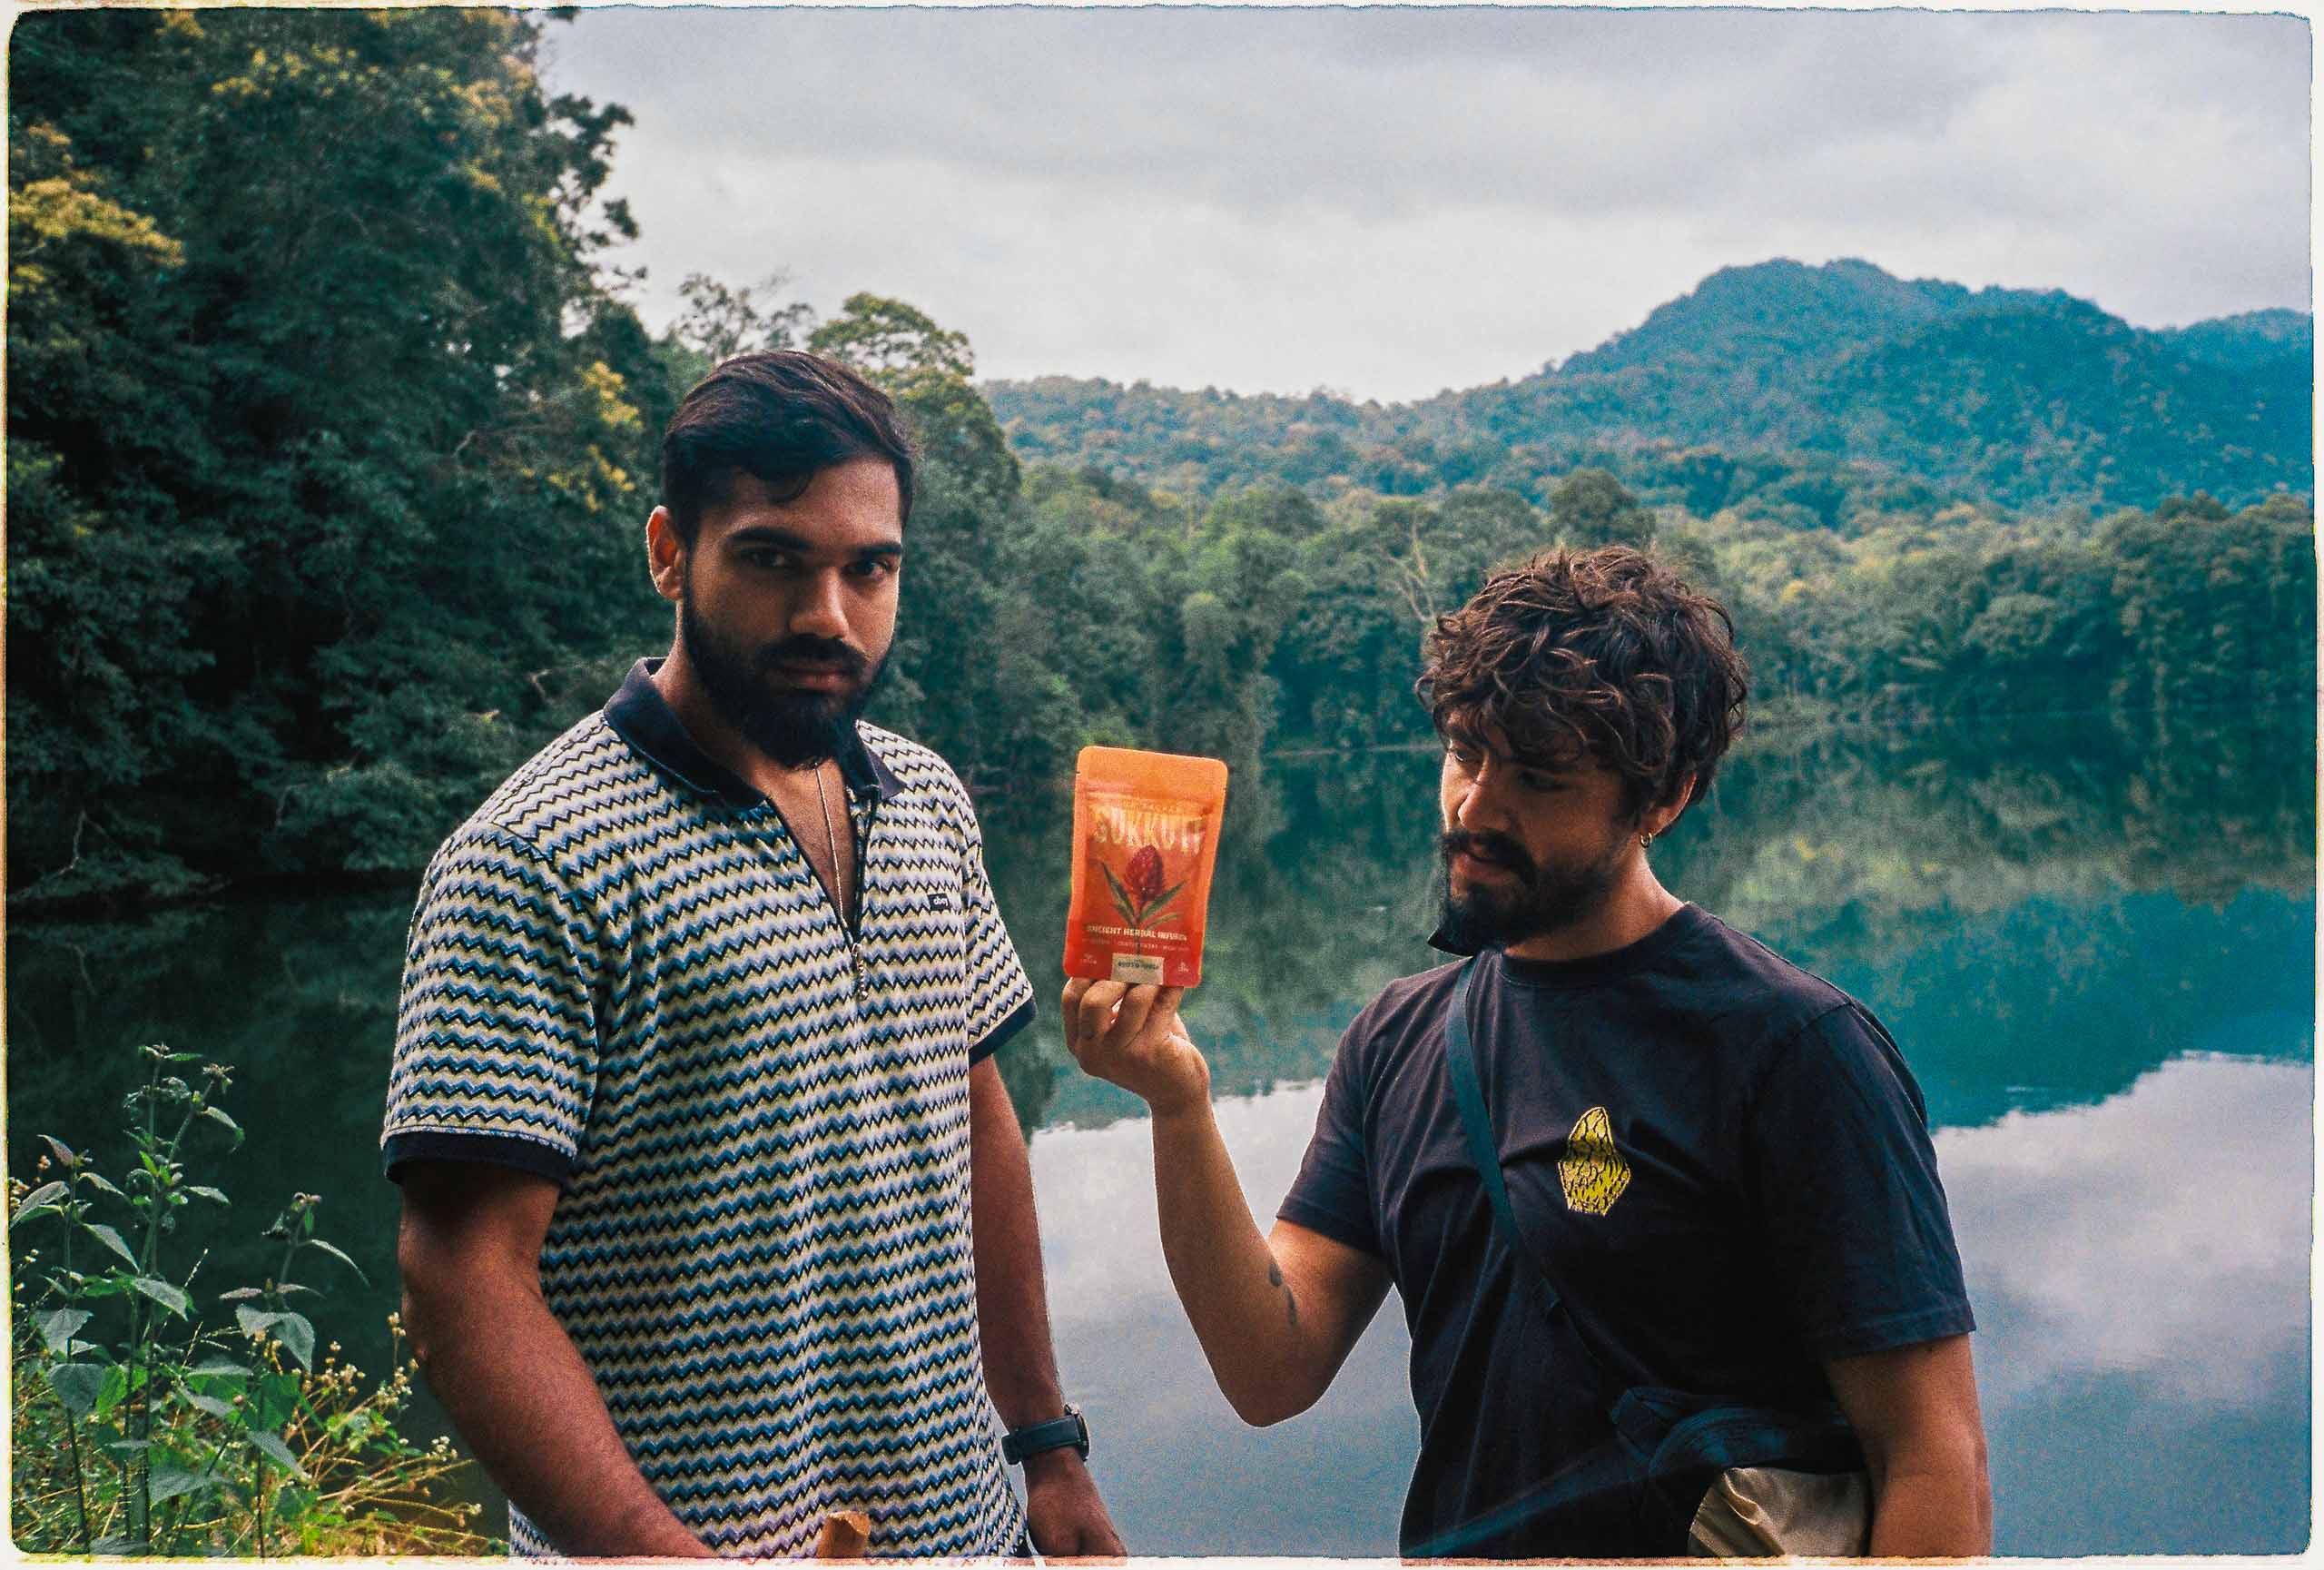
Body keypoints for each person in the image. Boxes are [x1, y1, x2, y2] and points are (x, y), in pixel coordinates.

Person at [1064, 546, 1990, 1555]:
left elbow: (1932, 1457)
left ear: (1664, 797)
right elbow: (1268, 1370)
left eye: (1539, 778)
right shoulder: (1397, 1038)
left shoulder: (1792, 1049)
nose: (1475, 808)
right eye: (1466, 754)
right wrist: (1178, 1105)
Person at [383, 351, 1123, 1559]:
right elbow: (462, 1279)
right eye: (774, 558)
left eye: (867, 568)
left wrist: (1046, 1442)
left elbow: (980, 1124)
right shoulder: (533, 858)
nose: (827, 612)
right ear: (670, 552)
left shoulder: (928, 802)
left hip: (967, 1533)